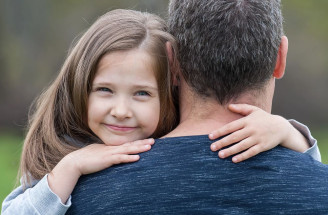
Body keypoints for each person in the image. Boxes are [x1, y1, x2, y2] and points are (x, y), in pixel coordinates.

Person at [0, 7, 322, 215]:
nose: (121, 111)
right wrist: (68, 168)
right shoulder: (60, 166)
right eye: (104, 90)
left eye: (141, 93)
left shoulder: (92, 196)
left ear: (173, 68)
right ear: (281, 57)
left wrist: (289, 133)